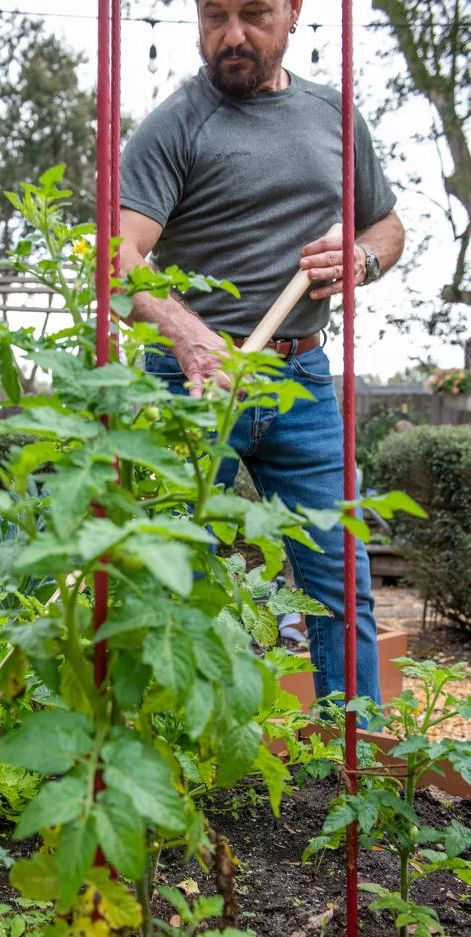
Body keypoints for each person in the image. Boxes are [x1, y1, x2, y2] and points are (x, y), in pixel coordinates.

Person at [119, 0, 405, 704]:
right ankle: (175, 763)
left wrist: (362, 260)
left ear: (294, 12)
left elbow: (388, 225)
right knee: (170, 581)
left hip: (301, 376)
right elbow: (116, 255)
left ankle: (355, 762)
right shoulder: (176, 125)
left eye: (253, 13)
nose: (233, 35)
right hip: (191, 381)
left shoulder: (336, 117)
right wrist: (185, 332)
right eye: (216, 16)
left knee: (340, 581)